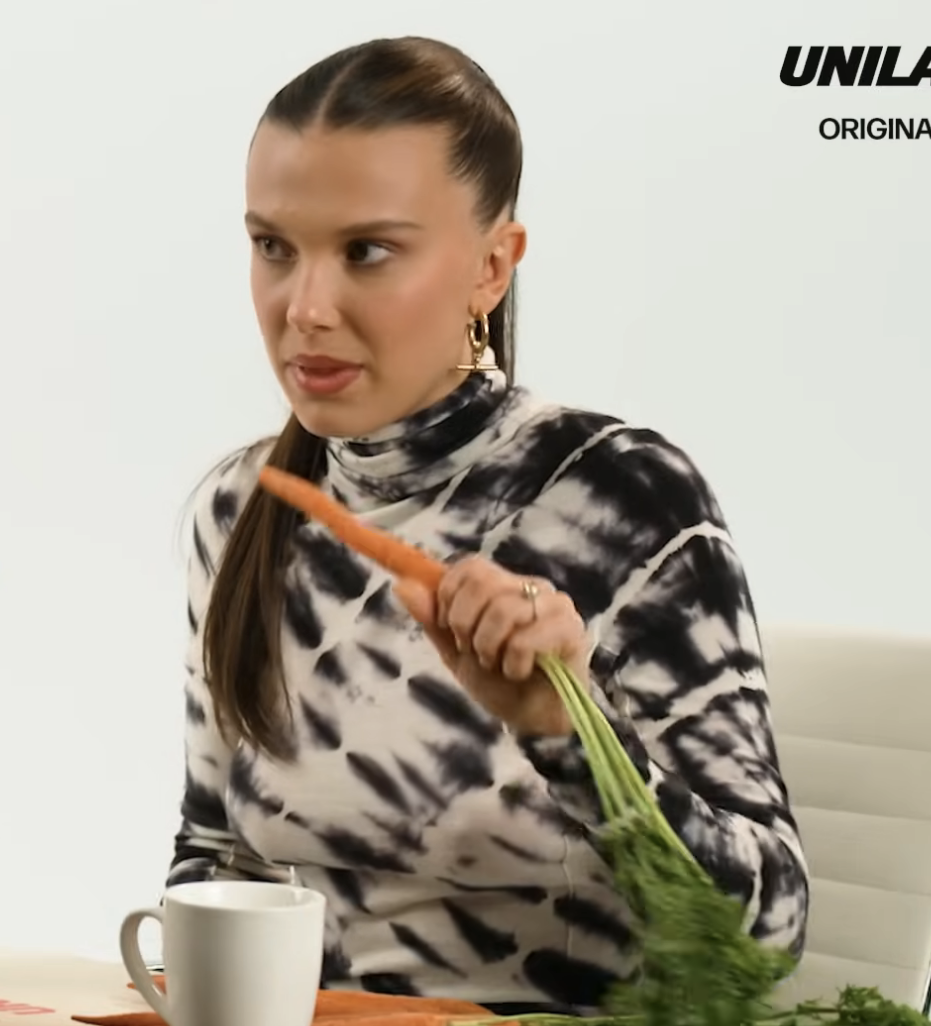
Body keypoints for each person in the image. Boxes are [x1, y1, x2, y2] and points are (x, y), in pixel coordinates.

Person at [165, 35, 809, 1014]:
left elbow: (765, 935)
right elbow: (215, 855)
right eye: (273, 247)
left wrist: (566, 730)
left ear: (491, 268)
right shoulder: (237, 510)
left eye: (367, 251)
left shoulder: (621, 499)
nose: (304, 307)